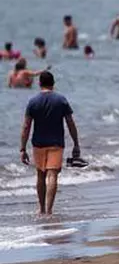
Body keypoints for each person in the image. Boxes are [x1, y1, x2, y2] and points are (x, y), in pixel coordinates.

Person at [20, 71, 80, 216]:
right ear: (53, 83)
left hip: (38, 144)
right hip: (56, 143)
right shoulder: (61, 100)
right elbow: (70, 123)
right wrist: (76, 143)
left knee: (40, 176)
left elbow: (26, 126)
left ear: (39, 83)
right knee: (52, 175)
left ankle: (41, 209)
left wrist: (22, 148)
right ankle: (49, 210)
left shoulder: (33, 101)